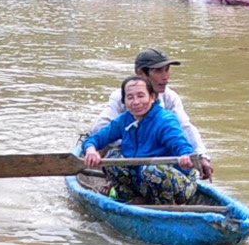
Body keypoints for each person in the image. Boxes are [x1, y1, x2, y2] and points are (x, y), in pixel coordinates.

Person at [80, 76, 202, 204]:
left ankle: (164, 204)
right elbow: (94, 139)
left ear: (152, 97)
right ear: (124, 101)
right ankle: (129, 198)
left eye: (141, 96)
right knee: (112, 156)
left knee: (151, 170)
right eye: (130, 97)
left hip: (178, 184)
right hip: (141, 180)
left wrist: (185, 157)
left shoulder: (165, 120)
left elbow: (181, 145)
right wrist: (91, 151)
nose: (136, 102)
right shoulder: (124, 120)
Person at [90, 48, 211, 173]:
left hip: (158, 159)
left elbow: (186, 127)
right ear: (141, 73)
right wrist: (131, 142)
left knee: (152, 169)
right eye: (158, 71)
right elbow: (99, 127)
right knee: (111, 153)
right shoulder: (122, 97)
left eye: (167, 70)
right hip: (128, 152)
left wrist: (202, 156)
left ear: (153, 98)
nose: (165, 77)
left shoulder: (170, 98)